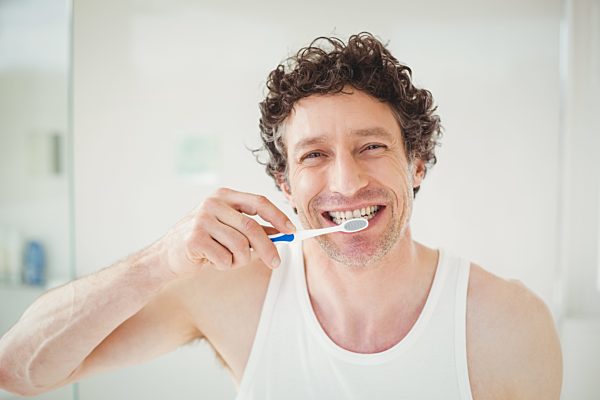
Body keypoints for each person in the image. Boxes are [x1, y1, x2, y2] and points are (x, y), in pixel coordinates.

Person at [0, 32, 562, 399]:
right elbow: (20, 370)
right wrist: (162, 259)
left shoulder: (506, 323)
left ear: (416, 164)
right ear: (283, 183)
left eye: (371, 147)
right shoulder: (229, 293)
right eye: (314, 155)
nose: (345, 182)